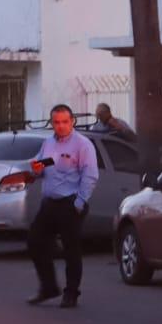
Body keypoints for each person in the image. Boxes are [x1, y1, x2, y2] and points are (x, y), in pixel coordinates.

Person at [26, 105, 100, 308]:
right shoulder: (48, 144)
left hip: (70, 203)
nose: (61, 126)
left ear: (72, 122)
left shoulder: (82, 145)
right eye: (56, 122)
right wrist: (35, 170)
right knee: (35, 241)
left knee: (71, 250)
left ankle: (71, 293)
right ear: (52, 124)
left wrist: (79, 203)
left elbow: (90, 175)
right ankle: (48, 287)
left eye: (65, 122)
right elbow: (42, 170)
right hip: (50, 203)